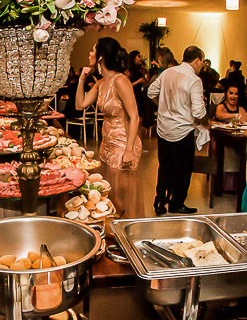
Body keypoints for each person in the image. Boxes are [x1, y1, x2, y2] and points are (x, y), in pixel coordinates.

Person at [147, 45, 207, 215]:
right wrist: (204, 117)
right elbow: (198, 111)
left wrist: (163, 106)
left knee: (165, 166)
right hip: (182, 131)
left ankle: (159, 202)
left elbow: (151, 92)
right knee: (182, 170)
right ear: (196, 60)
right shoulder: (194, 80)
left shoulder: (167, 72)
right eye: (201, 62)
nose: (202, 65)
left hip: (163, 128)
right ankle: (176, 204)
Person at [76, 37, 141, 170]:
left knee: (121, 187)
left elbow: (134, 117)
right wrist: (81, 79)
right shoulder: (101, 83)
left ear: (100, 57)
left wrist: (129, 150)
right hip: (106, 143)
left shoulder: (120, 81)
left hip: (123, 144)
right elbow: (80, 105)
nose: (90, 54)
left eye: (92, 51)